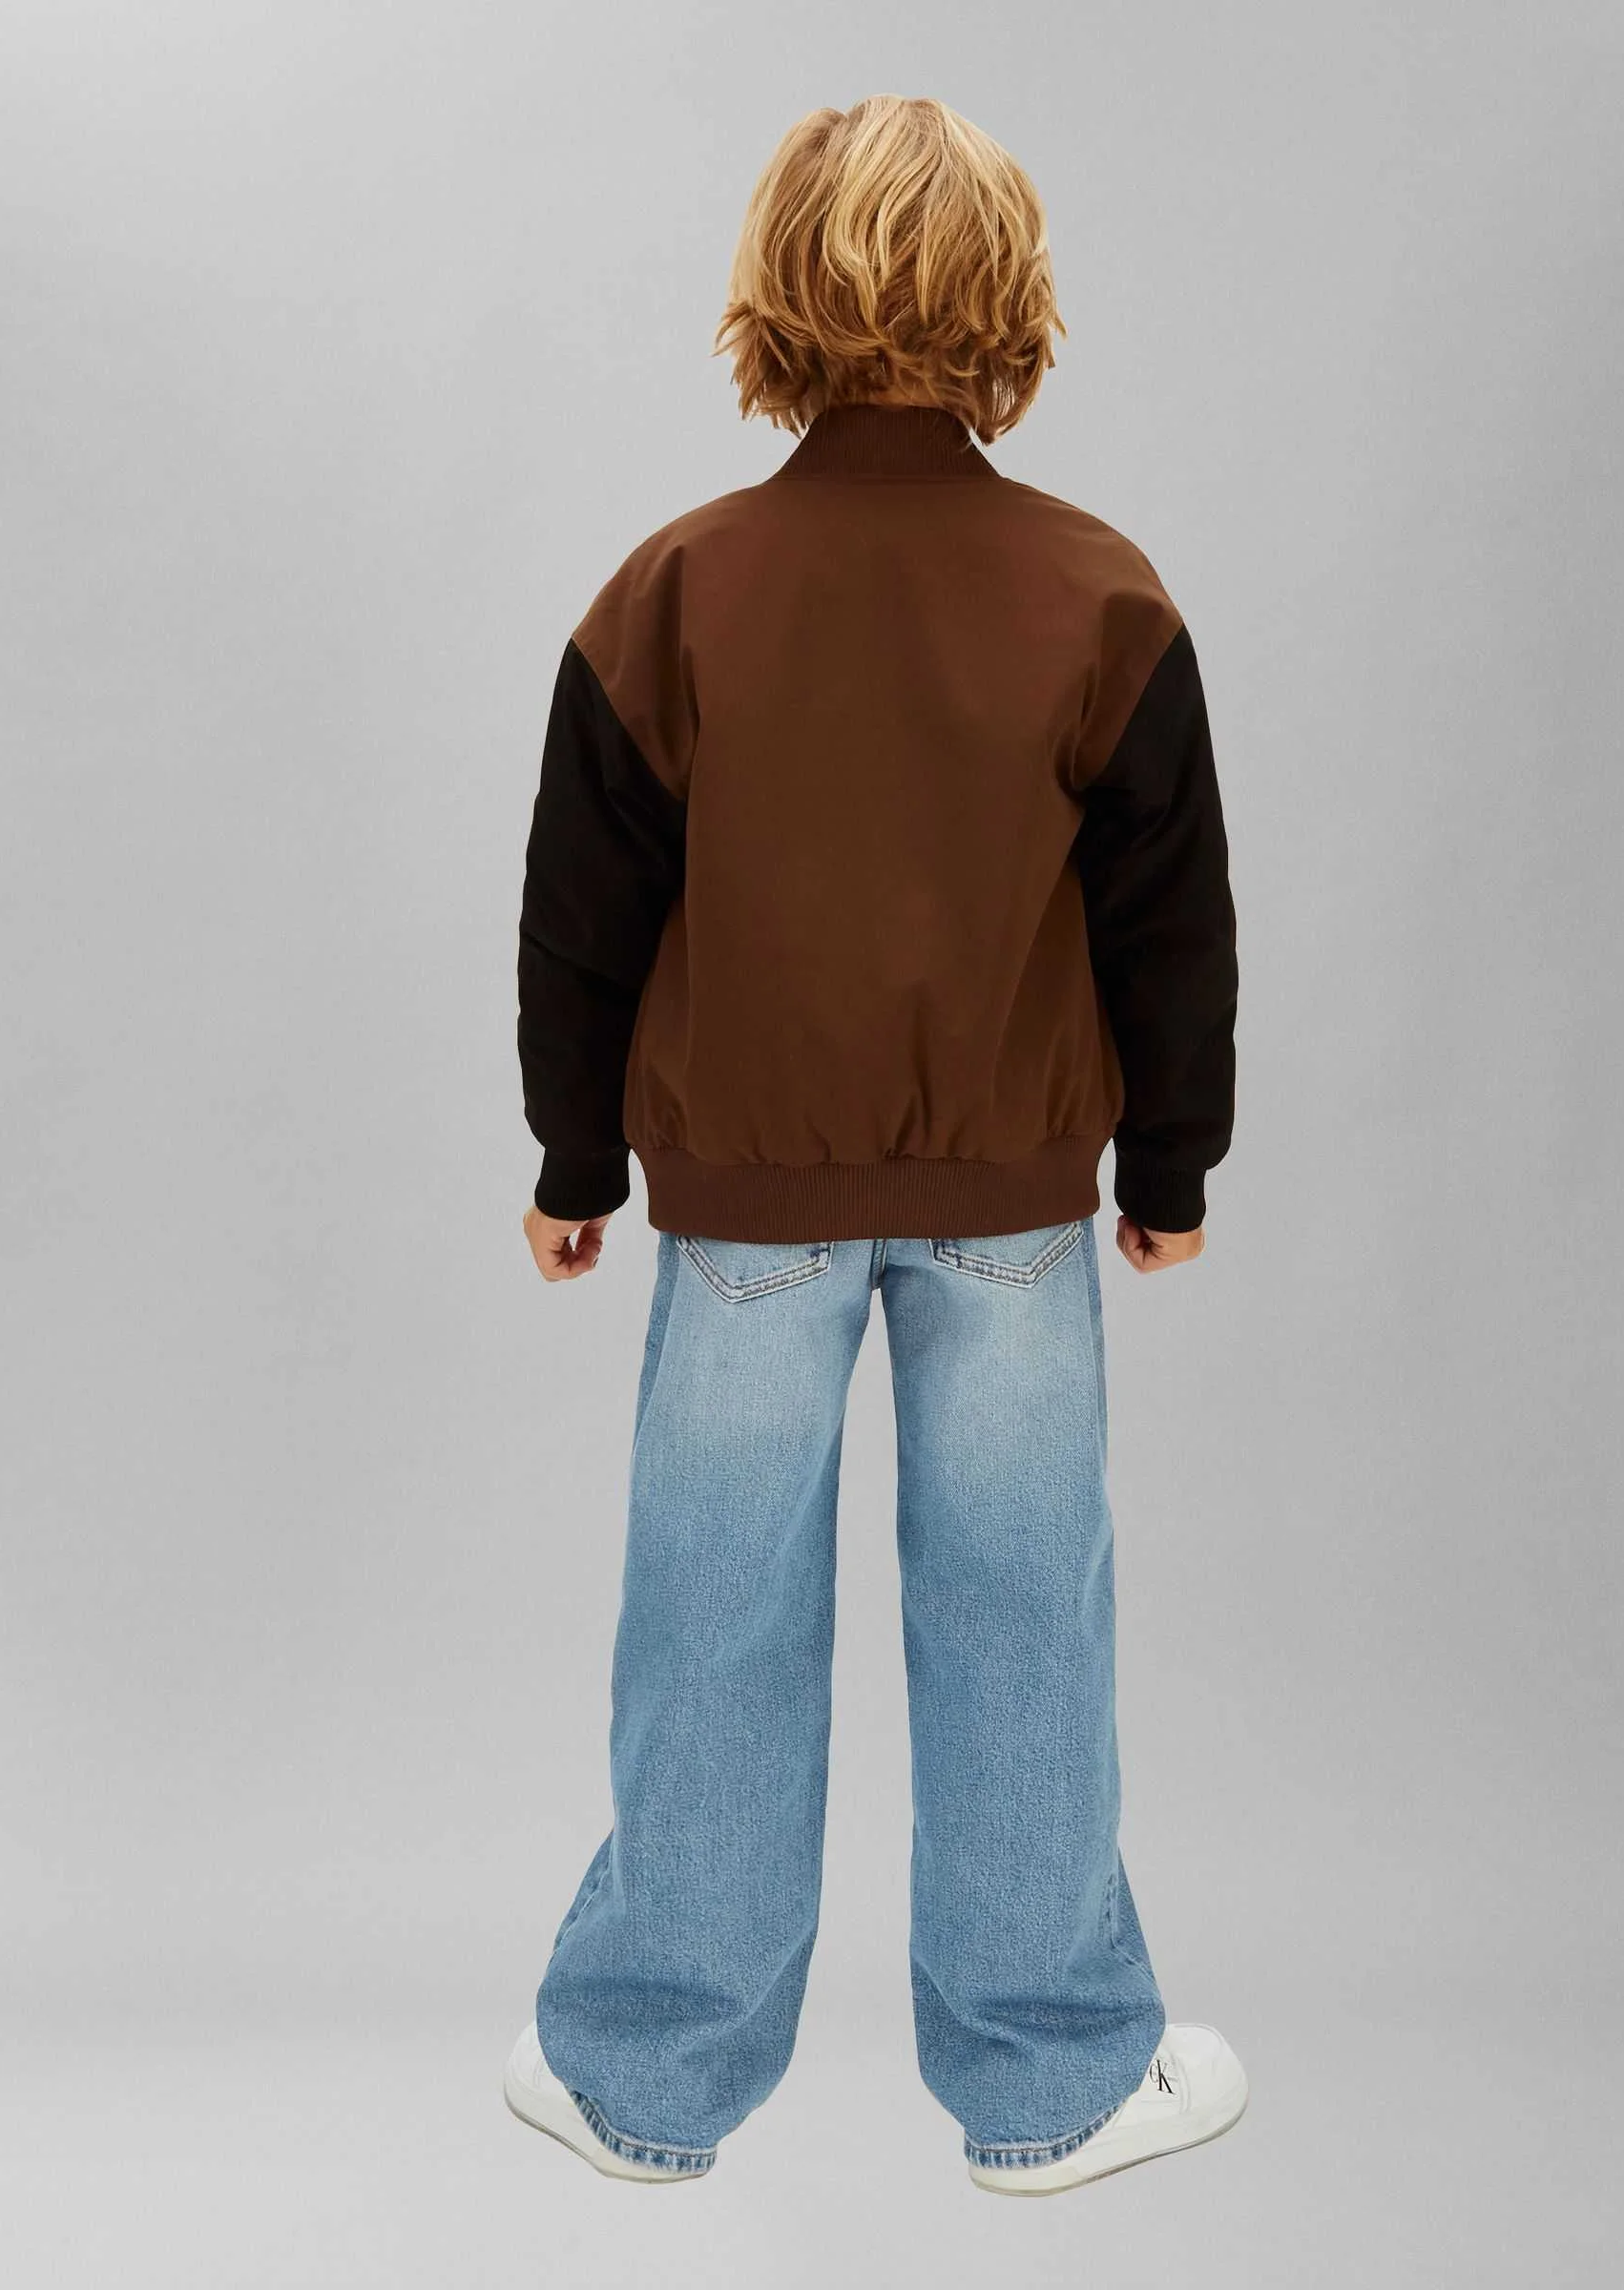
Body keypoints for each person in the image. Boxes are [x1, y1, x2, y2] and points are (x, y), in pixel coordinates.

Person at [501, 92, 1246, 2197]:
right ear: (1015, 305)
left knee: (711, 1618)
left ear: (774, 301)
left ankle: (642, 2086)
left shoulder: (674, 592)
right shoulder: (1099, 594)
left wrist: (575, 1164)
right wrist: (1169, 1171)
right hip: (1014, 1216)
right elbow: (1170, 921)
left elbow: (581, 914)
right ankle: (1051, 2088)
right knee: (1021, 1620)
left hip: (740, 1219)